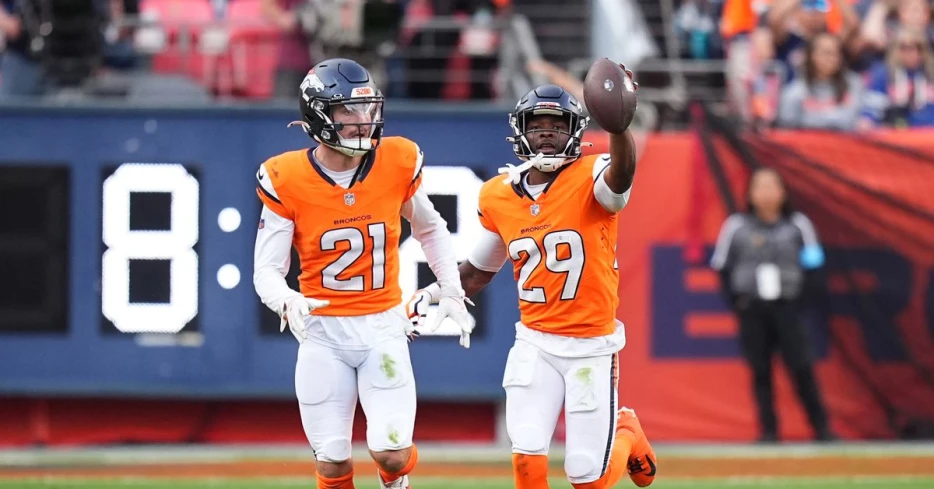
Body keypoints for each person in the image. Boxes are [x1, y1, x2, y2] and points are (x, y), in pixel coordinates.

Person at [407, 78, 657, 489]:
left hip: (591, 344)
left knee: (586, 477)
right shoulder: (499, 195)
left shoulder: (592, 176)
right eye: (536, 123)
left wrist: (618, 127)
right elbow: (476, 270)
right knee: (526, 458)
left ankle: (626, 433)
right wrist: (435, 293)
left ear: (575, 131)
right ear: (519, 129)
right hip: (536, 341)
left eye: (556, 125)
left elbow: (620, 180)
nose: (546, 132)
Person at [252, 58, 472, 489]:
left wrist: (451, 289)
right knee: (332, 461)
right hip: (323, 333)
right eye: (347, 112)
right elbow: (266, 270)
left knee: (391, 455)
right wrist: (286, 300)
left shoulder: (395, 160)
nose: (361, 121)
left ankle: (397, 483)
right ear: (318, 114)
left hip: (383, 328)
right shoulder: (287, 177)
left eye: (366, 109)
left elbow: (430, 227)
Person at [710, 167, 836, 443]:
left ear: (783, 192)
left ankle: (822, 429)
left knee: (802, 367)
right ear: (750, 193)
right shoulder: (736, 225)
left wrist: (801, 301)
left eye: (772, 186)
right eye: (760, 187)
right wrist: (738, 302)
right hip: (752, 308)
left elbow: (815, 264)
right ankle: (768, 431)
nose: (766, 193)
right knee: (760, 370)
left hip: (789, 307)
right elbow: (721, 266)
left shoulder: (798, 225)